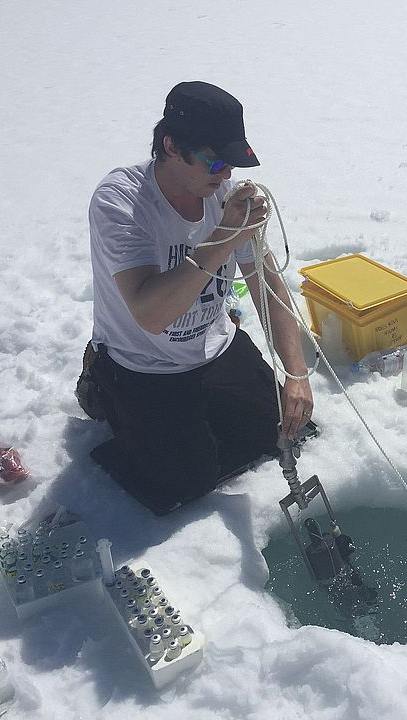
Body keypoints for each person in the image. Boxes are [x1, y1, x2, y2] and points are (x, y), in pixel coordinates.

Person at [80, 81, 315, 515]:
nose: (226, 175)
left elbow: (266, 285)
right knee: (185, 482)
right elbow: (151, 313)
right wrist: (224, 236)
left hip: (213, 346)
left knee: (278, 431)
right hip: (142, 363)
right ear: (171, 145)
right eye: (217, 161)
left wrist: (296, 373)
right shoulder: (121, 202)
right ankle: (103, 391)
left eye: (233, 164)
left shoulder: (222, 196)